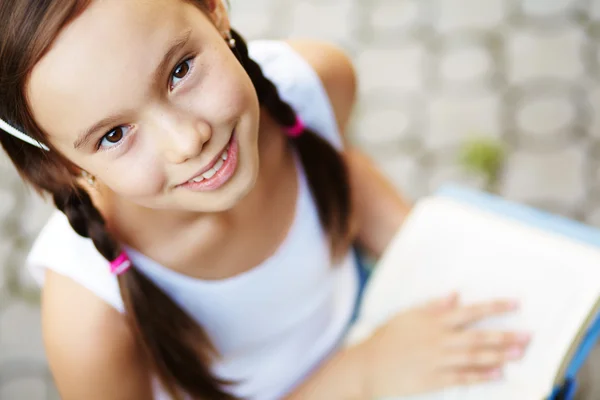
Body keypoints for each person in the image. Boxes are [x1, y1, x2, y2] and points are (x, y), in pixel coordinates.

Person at [0, 0, 530, 399]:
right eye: (113, 135)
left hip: (376, 327)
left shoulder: (314, 82)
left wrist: (425, 252)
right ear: (64, 164)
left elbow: (338, 168)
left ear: (214, 13)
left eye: (180, 71)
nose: (188, 141)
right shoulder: (89, 317)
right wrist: (361, 373)